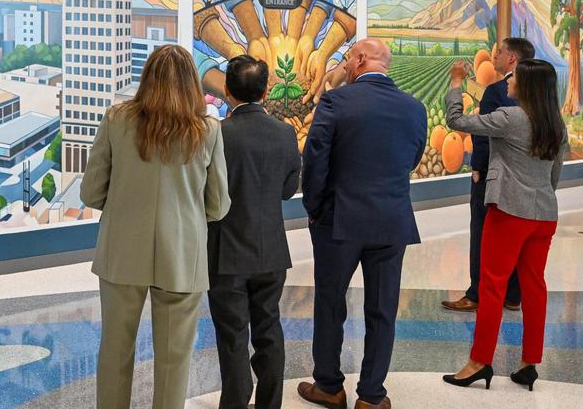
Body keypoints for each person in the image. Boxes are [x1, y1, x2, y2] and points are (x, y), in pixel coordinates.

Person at [82, 44, 231, 409]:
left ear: (146, 77)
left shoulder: (117, 120)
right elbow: (218, 205)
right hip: (182, 253)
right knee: (174, 357)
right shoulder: (208, 129)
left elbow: (90, 192)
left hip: (121, 250)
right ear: (192, 83)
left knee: (115, 349)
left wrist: (122, 204)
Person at [298, 38, 426, 409]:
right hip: (391, 221)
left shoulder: (336, 101)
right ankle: (371, 396)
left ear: (358, 59)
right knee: (383, 310)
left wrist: (314, 208)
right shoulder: (414, 108)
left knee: (330, 303)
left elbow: (315, 162)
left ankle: (328, 385)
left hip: (339, 221)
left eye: (347, 59)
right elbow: (412, 159)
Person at [441, 59, 568, 392]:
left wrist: (456, 83)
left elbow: (455, 120)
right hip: (544, 215)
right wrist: (539, 200)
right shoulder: (556, 123)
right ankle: (529, 363)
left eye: (514, 77)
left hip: (509, 212)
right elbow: (554, 175)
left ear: (525, 85)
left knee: (492, 286)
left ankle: (478, 362)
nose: (507, 80)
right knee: (534, 287)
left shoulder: (511, 118)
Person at [208, 55, 301, 409]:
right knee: (269, 330)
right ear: (266, 91)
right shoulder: (285, 132)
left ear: (228, 90)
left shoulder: (218, 133)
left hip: (225, 252)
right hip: (271, 251)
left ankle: (234, 402)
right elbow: (287, 189)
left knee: (232, 336)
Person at [442, 37, 535, 314]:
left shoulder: (496, 91)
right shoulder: (544, 93)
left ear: (512, 60)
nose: (495, 56)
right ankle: (513, 295)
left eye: (501, 52)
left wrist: (478, 168)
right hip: (528, 182)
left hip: (494, 176)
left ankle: (476, 294)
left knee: (482, 234)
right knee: (519, 238)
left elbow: (481, 134)